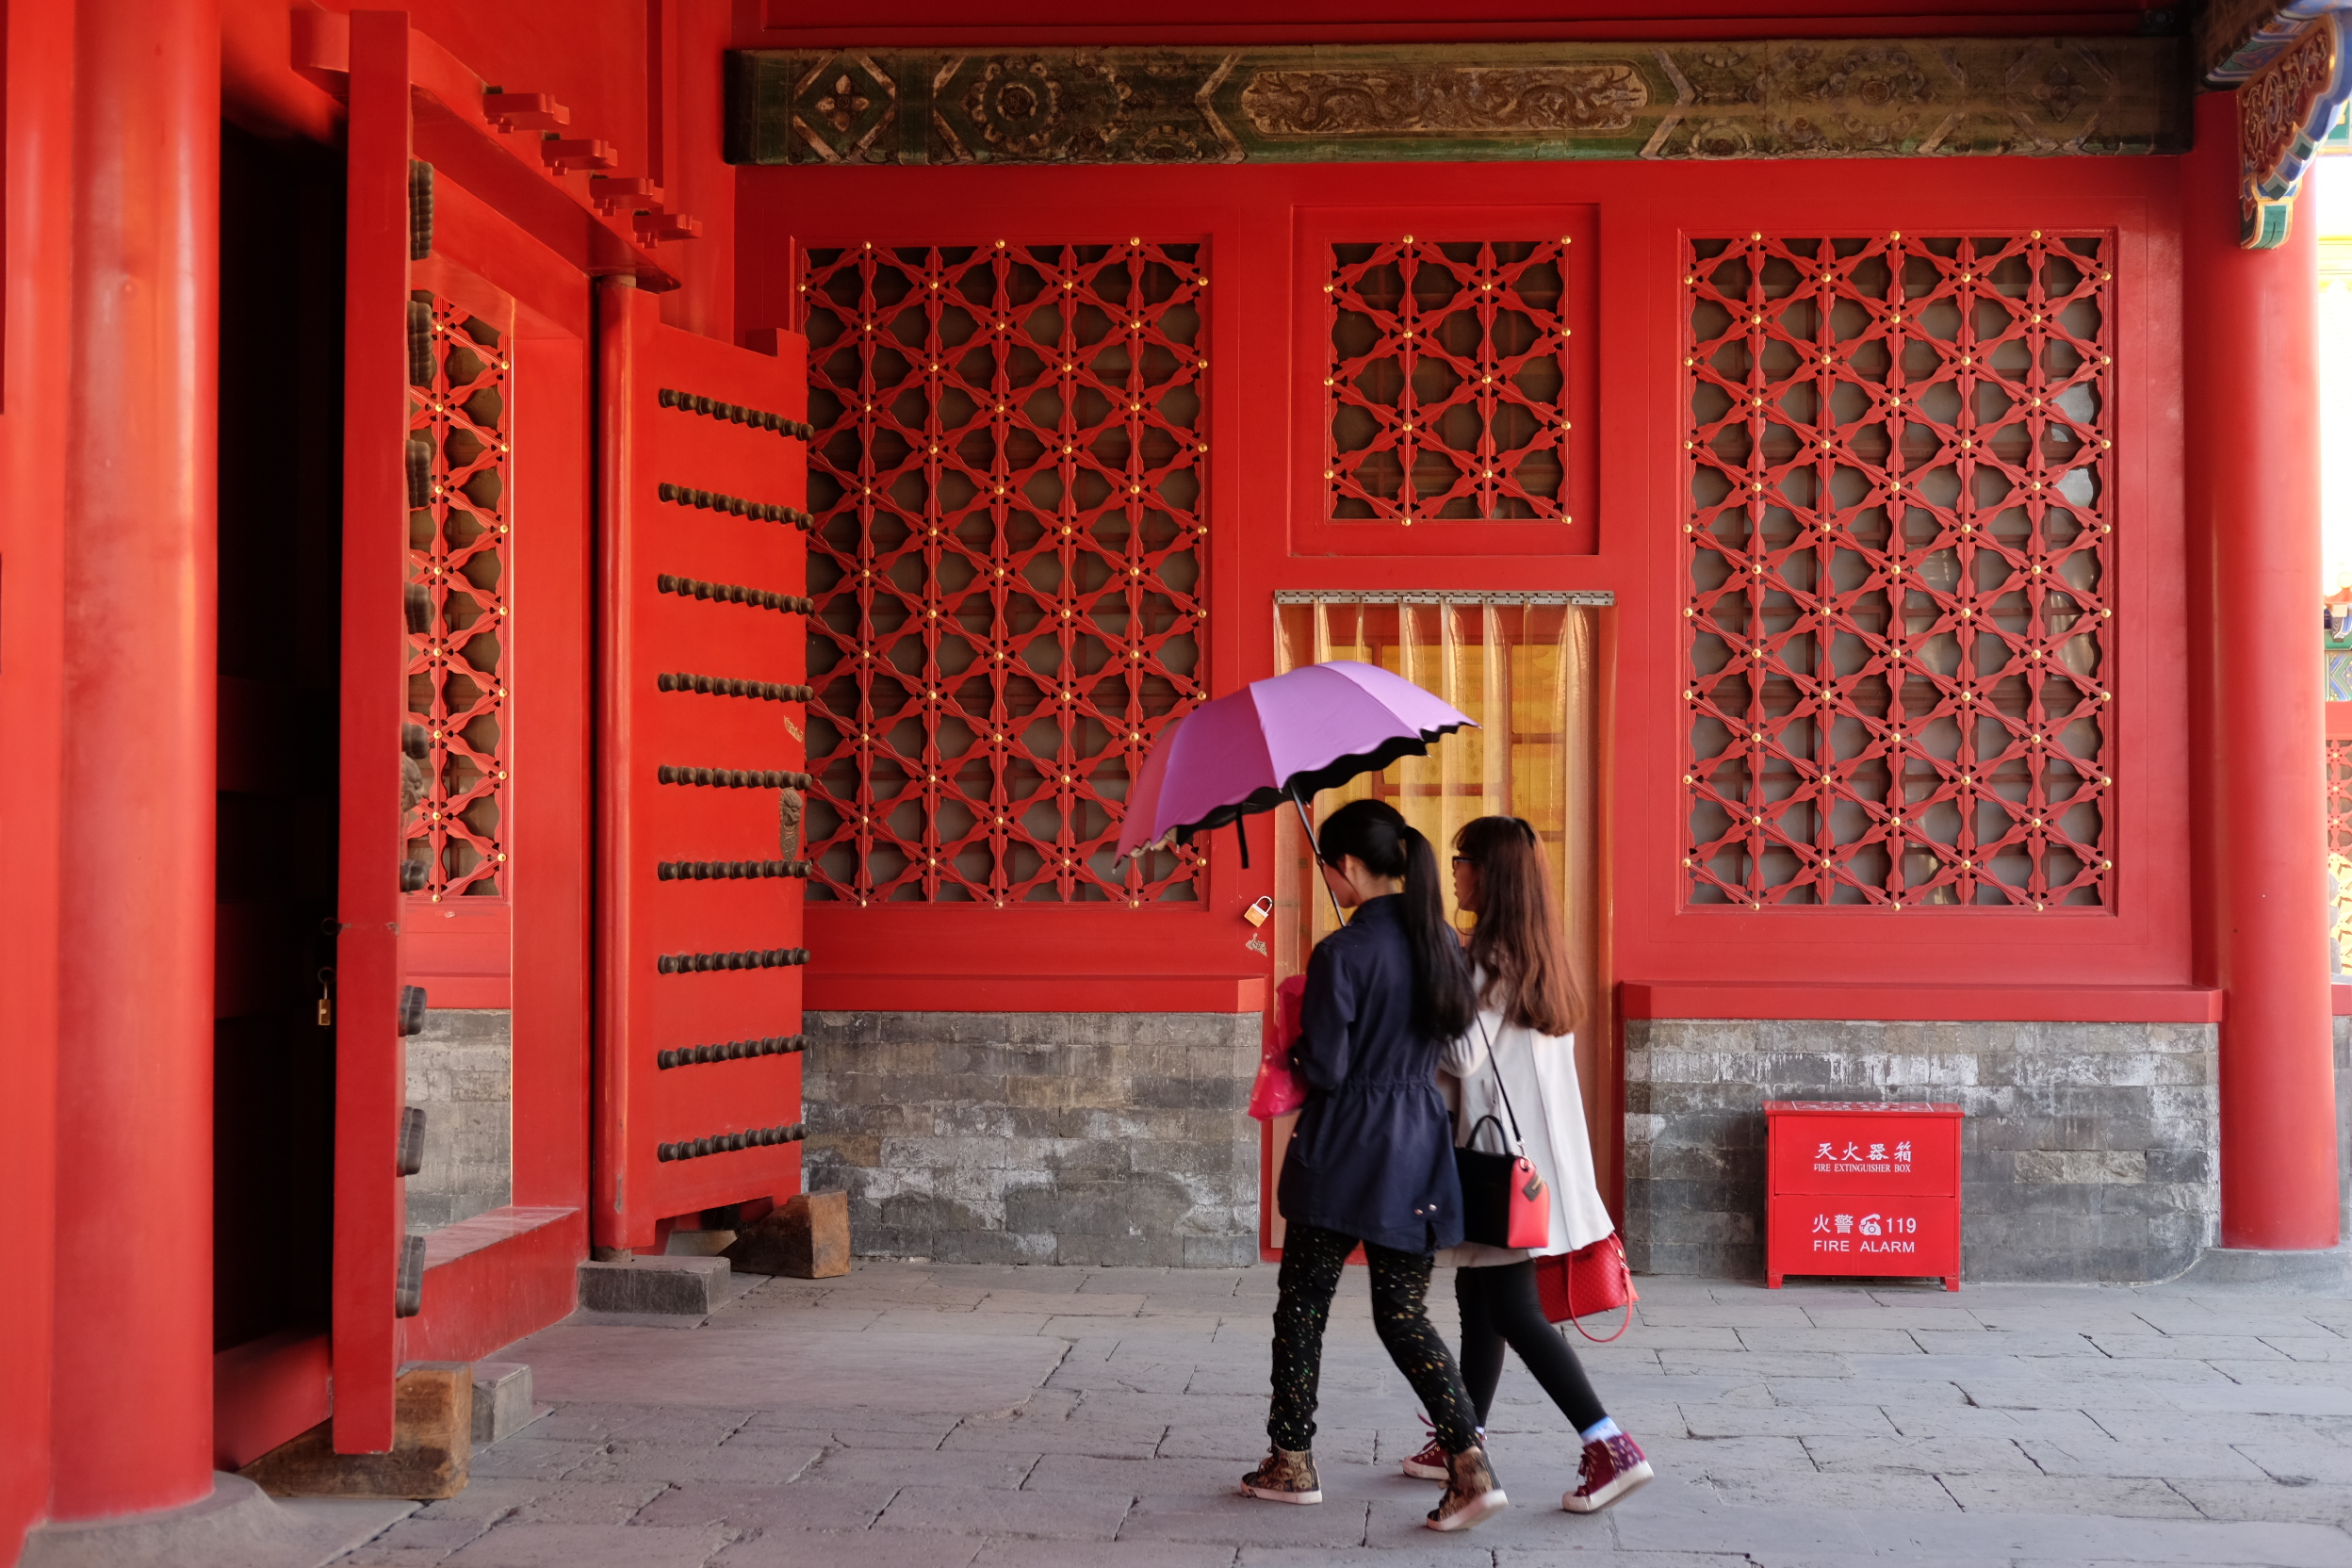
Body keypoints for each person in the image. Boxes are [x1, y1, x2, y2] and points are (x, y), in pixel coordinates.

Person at [1242, 798, 1510, 1532]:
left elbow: (1325, 1066)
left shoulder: (1342, 953)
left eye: (1329, 865)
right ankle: (1469, 1464)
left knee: (1303, 1305)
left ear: (1350, 867)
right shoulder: (1444, 947)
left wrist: (1290, 1039)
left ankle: (1290, 1460)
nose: (1330, 875)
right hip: (1417, 1145)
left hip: (1343, 1147)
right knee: (1403, 1313)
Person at [1396, 815, 1652, 1514]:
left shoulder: (1485, 960)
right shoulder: (1537, 953)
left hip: (1496, 1165)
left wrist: (1433, 973)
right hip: (1534, 1164)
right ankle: (1462, 1437)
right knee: (1479, 1301)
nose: (1453, 871)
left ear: (1490, 872)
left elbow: (1461, 1056)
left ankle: (1607, 1442)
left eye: (1462, 859)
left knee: (1510, 1306)